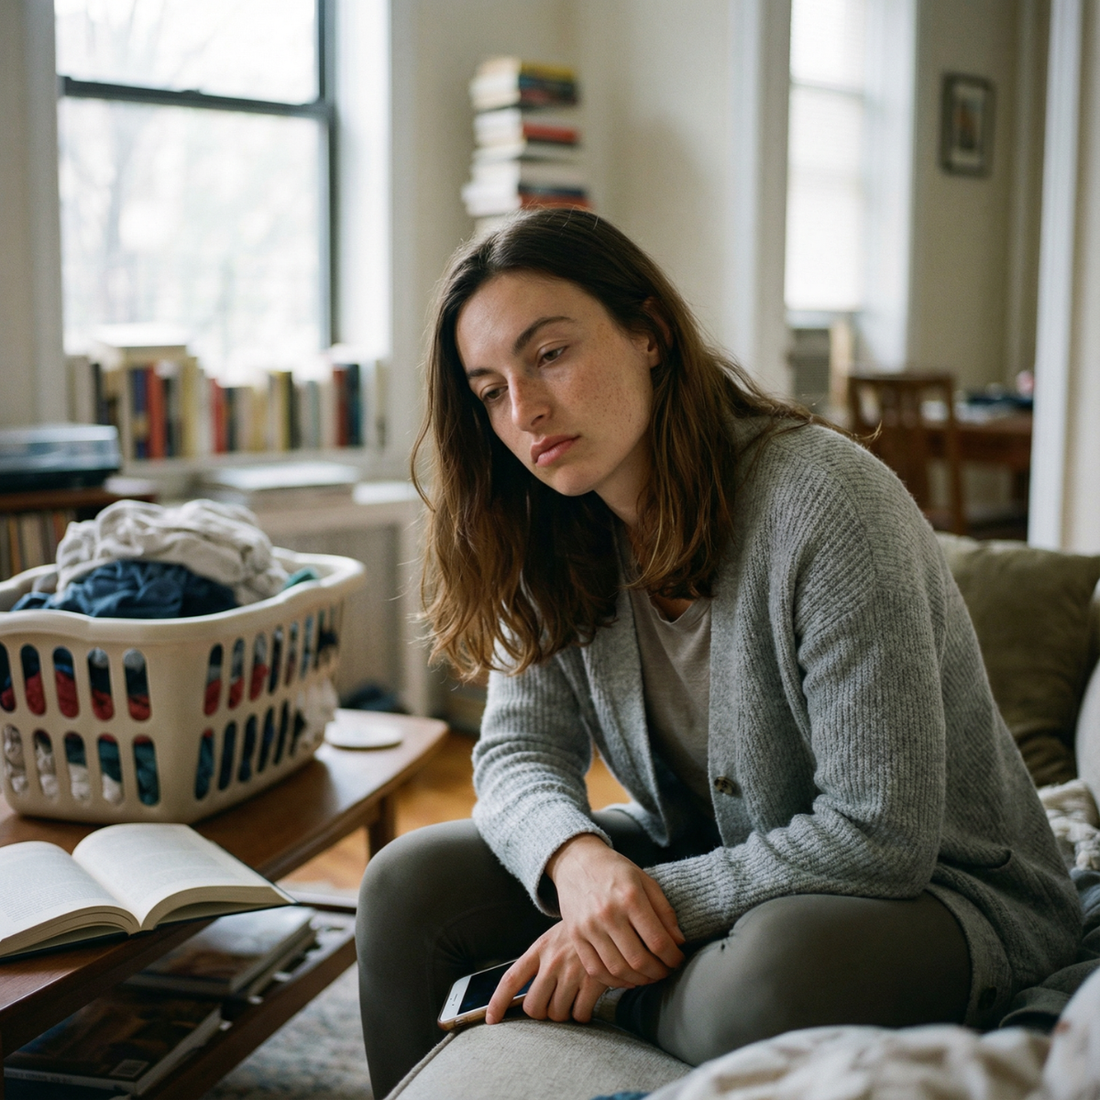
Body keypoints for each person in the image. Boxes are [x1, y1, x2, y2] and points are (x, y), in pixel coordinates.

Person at [356, 208, 1080, 1097]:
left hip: (942, 895)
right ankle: (623, 984)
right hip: (714, 851)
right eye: (490, 391)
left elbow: (879, 835)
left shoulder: (829, 504)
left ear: (650, 333)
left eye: (549, 354)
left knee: (773, 973)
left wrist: (624, 925)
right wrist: (578, 863)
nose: (526, 409)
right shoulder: (546, 523)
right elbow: (516, 753)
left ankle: (600, 997)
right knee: (406, 885)